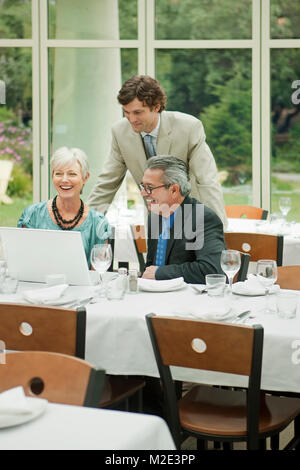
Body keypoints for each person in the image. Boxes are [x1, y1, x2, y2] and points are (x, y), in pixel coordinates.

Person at [87, 74, 227, 227]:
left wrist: (218, 229)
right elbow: (106, 183)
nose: (131, 119)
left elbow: (207, 181)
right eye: (126, 112)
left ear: (156, 107)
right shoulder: (120, 133)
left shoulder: (189, 128)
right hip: (154, 219)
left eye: (138, 112)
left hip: (192, 218)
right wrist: (87, 225)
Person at [18, 147, 111, 265]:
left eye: (72, 174)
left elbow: (98, 273)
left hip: (84, 284)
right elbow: (23, 260)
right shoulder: (32, 215)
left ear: (85, 178)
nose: (64, 179)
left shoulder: (98, 223)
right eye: (59, 173)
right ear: (52, 176)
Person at [140, 155, 225, 284]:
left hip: (189, 299)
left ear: (174, 190)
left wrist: (160, 273)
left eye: (150, 188)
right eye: (143, 186)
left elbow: (212, 271)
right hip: (157, 294)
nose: (143, 193)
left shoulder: (203, 218)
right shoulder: (155, 214)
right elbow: (151, 267)